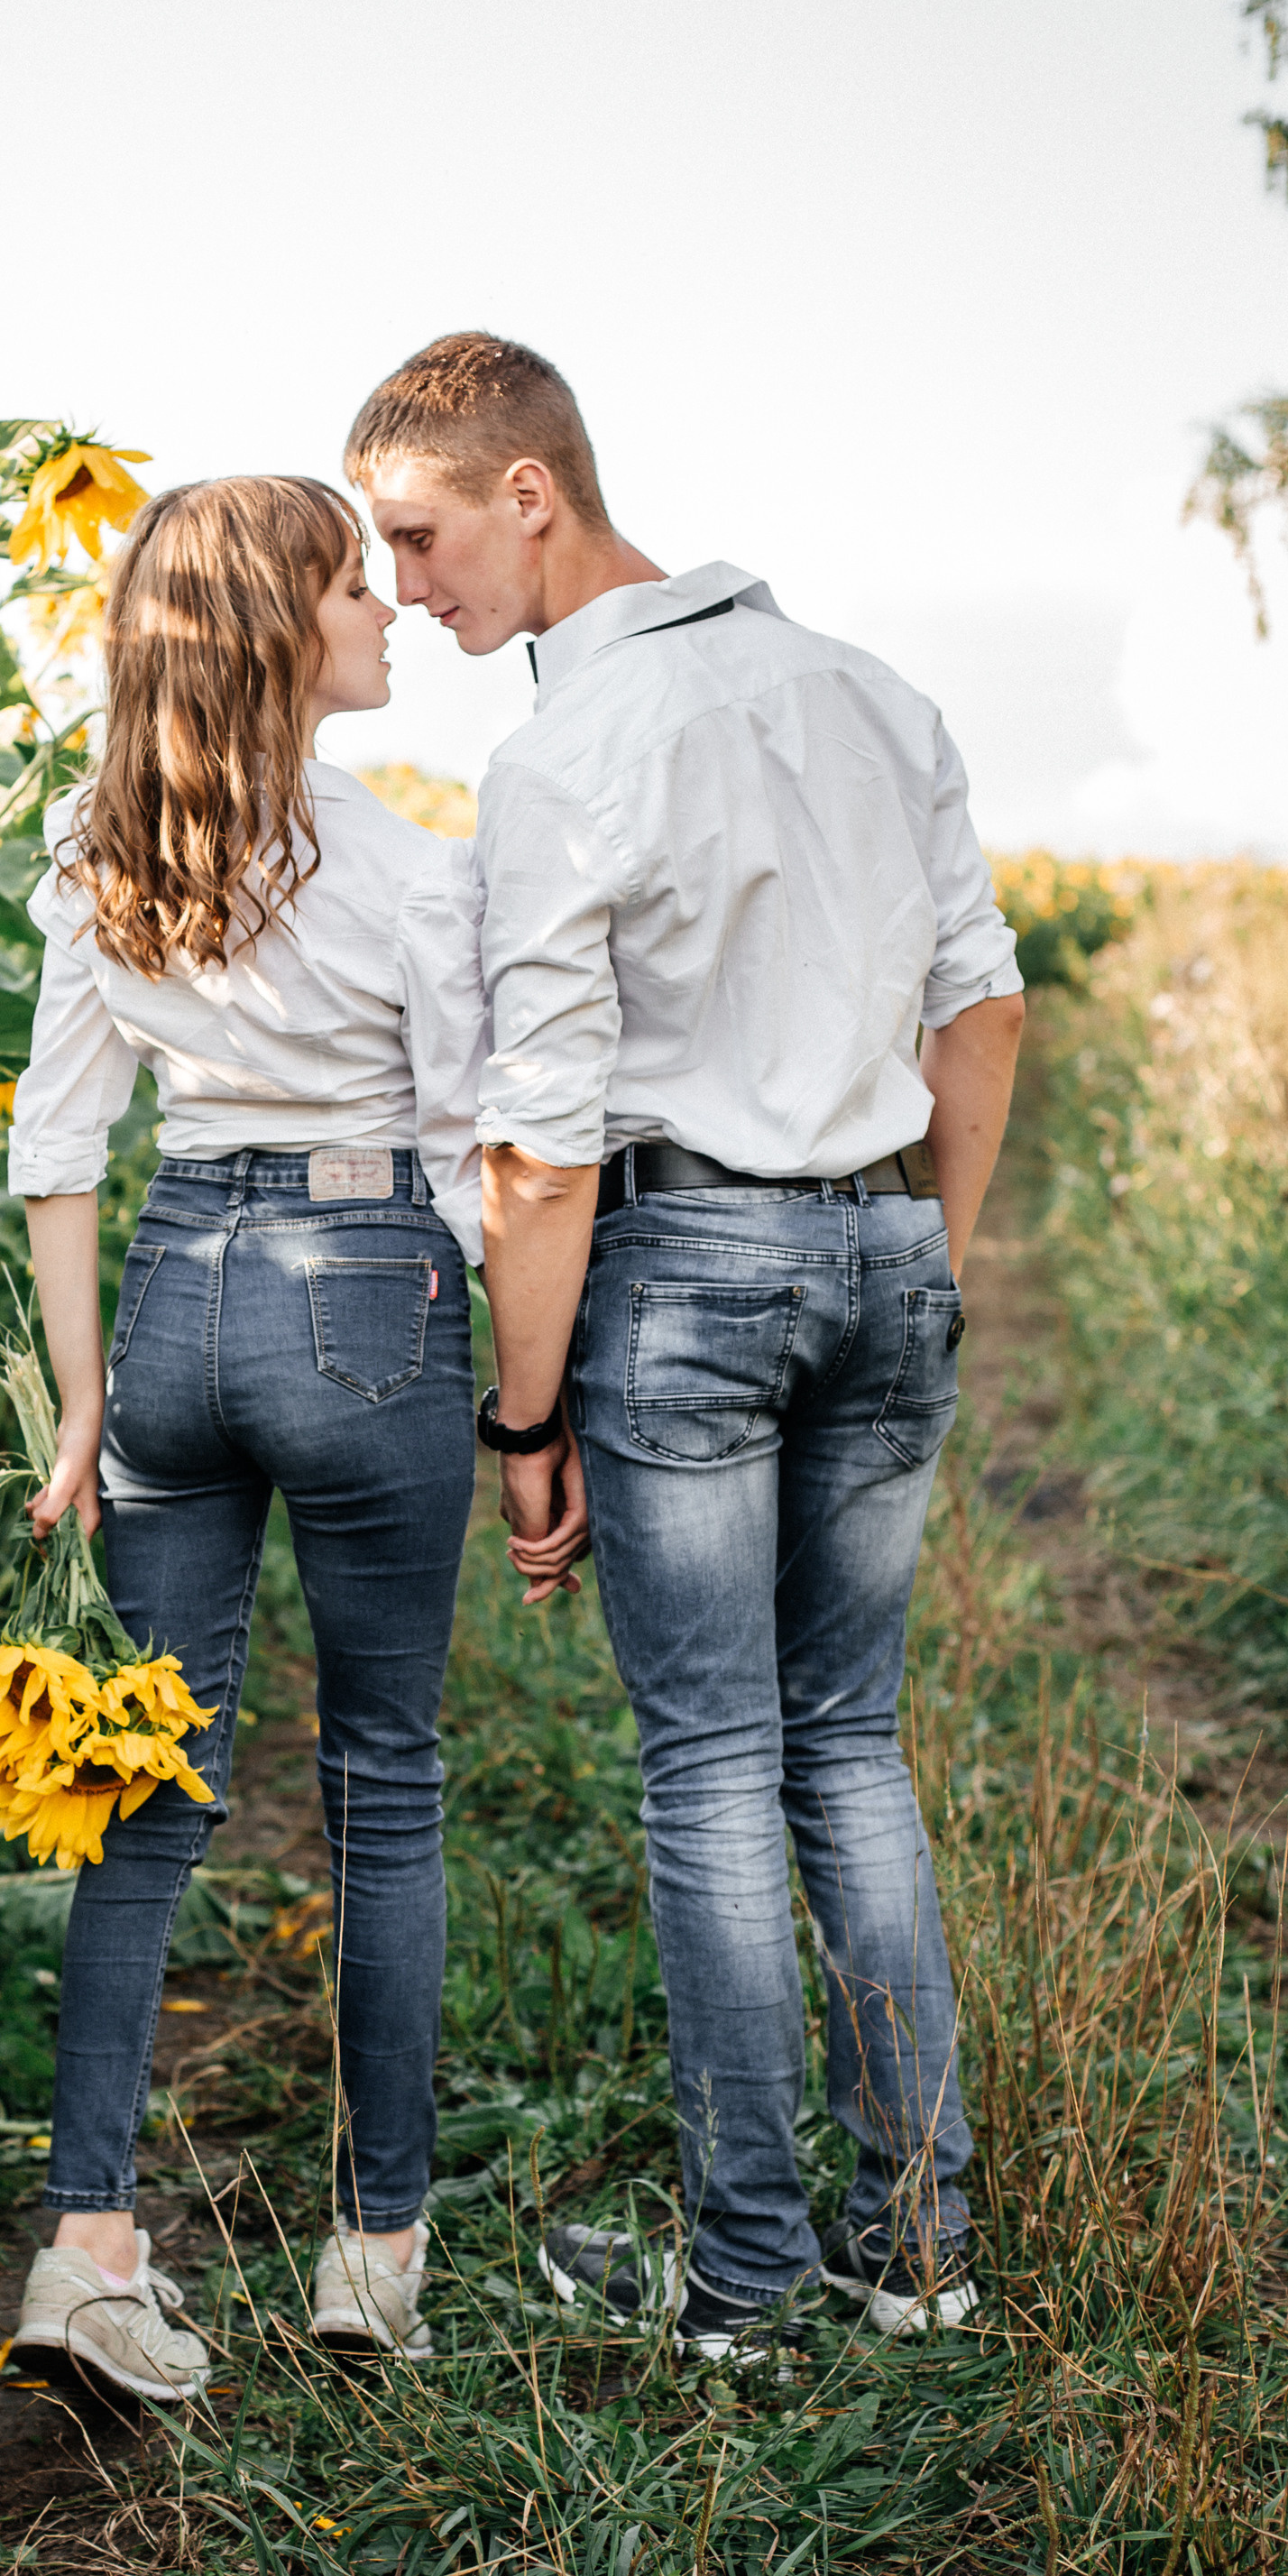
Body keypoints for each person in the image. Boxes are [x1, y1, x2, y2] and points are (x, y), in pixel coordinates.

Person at [345, 334, 1025, 2373]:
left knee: (713, 1762)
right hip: (889, 1245)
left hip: (684, 1277)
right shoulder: (871, 691)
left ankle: (743, 2277)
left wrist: (523, 1416)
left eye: (422, 532)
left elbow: (546, 1151)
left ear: (531, 490)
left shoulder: (568, 751)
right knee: (850, 1750)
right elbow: (982, 1024)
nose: (410, 585)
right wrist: (916, 1269)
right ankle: (918, 2257)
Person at [4, 474, 489, 2402]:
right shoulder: (407, 869)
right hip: (369, 1278)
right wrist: (508, 1387)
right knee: (385, 1778)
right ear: (287, 635)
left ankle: (89, 2249)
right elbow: (465, 1158)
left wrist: (82, 1400)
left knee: (140, 1784)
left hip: (175, 1290)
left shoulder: (96, 850)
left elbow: (57, 1149)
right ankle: (374, 2255)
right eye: (352, 588)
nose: (383, 613)